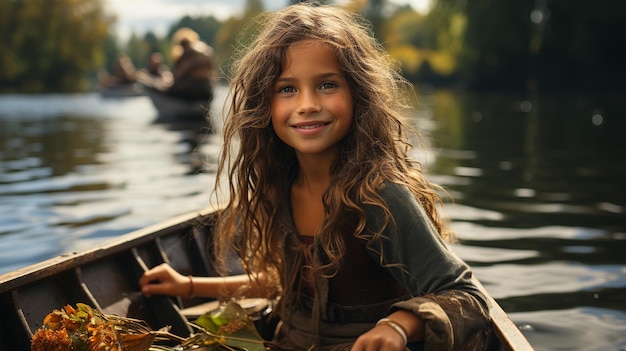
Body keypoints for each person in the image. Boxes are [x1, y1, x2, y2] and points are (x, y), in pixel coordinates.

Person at [139, 4, 491, 351]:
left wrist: (399, 326)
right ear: (265, 103)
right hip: (288, 340)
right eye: (287, 89)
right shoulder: (281, 183)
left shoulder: (378, 195)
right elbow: (288, 286)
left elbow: (464, 294)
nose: (306, 104)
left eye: (326, 85)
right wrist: (187, 285)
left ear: (358, 94)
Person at [164, 27, 216, 102]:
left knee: (170, 87)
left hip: (193, 90)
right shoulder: (205, 51)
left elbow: (179, 74)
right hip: (207, 89)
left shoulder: (190, 54)